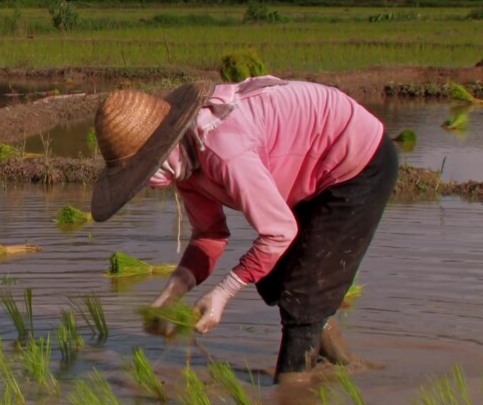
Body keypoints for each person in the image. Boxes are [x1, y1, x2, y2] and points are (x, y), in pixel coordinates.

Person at [89, 76, 398, 384]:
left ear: (162, 149)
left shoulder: (225, 150)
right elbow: (209, 236)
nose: (149, 182)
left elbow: (279, 232)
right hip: (312, 172)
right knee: (275, 279)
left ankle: (293, 392)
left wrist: (223, 293)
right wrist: (171, 296)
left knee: (304, 294)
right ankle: (343, 364)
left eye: (144, 172)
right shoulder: (184, 165)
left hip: (358, 161)